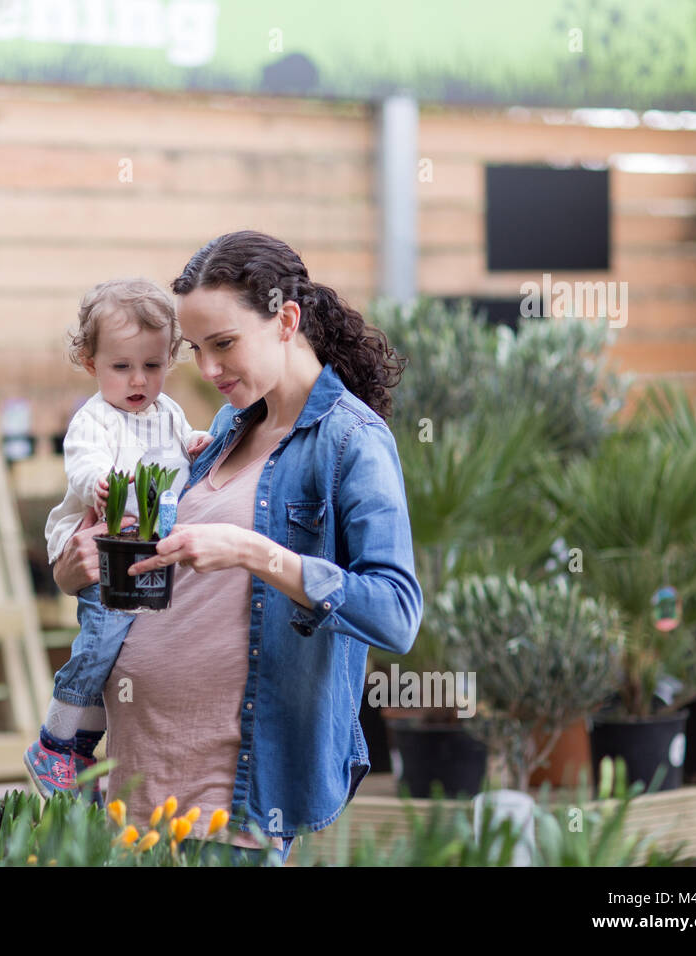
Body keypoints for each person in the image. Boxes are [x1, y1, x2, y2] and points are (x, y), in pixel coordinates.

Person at [52, 231, 423, 864]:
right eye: (196, 350)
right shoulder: (223, 429)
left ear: (285, 320)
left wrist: (253, 552)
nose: (209, 370)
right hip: (134, 784)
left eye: (224, 344)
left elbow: (395, 611)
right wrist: (72, 568)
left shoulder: (351, 441)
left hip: (232, 801)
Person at [26, 278, 215, 805]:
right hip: (101, 542)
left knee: (125, 648)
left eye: (152, 366)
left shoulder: (168, 413)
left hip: (145, 547)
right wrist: (98, 483)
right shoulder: (95, 419)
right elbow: (83, 464)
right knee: (103, 638)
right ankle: (56, 740)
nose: (138, 380)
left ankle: (82, 747)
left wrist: (195, 441)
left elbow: (180, 453)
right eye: (121, 367)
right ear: (90, 363)